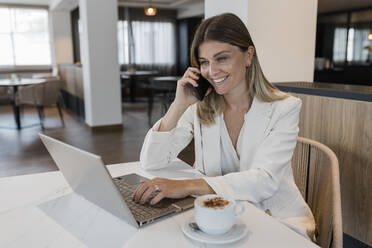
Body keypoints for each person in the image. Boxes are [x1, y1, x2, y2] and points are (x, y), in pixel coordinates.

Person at [133, 13, 316, 240]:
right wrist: (178, 105)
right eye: (204, 62)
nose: (212, 71)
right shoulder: (200, 107)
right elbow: (151, 161)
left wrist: (187, 185)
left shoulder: (285, 108)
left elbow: (264, 181)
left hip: (276, 222)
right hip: (220, 219)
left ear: (248, 56)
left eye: (221, 58)